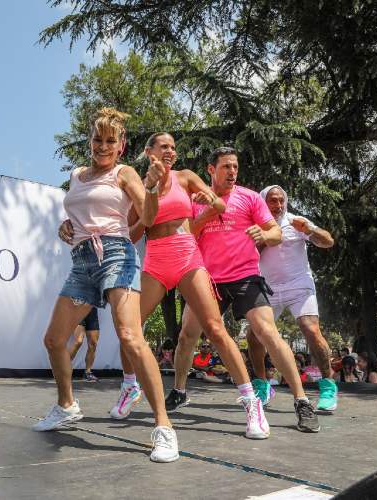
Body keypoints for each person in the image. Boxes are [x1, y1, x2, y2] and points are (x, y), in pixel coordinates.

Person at [61, 134, 270, 439]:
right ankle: (130, 386)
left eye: (173, 147)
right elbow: (131, 234)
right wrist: (146, 201)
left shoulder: (185, 177)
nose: (170, 150)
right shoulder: (138, 184)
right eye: (164, 147)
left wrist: (207, 202)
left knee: (215, 328)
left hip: (187, 256)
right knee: (130, 330)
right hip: (156, 261)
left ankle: (252, 403)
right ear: (149, 152)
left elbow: (219, 204)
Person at [35, 108, 179, 463]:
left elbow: (147, 217)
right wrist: (66, 226)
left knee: (130, 336)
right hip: (83, 261)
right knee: (54, 340)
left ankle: (164, 428)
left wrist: (153, 187)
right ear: (90, 141)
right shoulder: (77, 175)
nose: (102, 146)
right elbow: (80, 213)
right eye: (97, 139)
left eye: (110, 141)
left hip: (117, 255)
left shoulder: (124, 173)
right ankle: (66, 405)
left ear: (121, 145)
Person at [174, 148, 320, 433]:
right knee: (186, 336)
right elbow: (187, 233)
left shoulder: (250, 197)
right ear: (211, 170)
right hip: (207, 279)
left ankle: (302, 401)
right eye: (226, 167)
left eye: (235, 167)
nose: (232, 172)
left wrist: (264, 234)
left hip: (245, 276)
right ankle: (179, 391)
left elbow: (275, 232)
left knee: (268, 333)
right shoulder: (195, 200)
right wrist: (210, 210)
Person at [245, 184, 338, 414]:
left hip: (299, 285)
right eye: (272, 200)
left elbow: (328, 241)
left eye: (281, 200)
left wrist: (310, 230)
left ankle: (328, 386)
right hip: (268, 287)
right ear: (263, 202)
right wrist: (263, 239)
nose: (278, 205)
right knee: (253, 336)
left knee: (311, 329)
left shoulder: (296, 221)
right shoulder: (255, 225)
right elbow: (245, 255)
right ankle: (262, 385)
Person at [68, 309, 101, 381]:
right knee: (78, 342)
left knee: (93, 344)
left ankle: (87, 373)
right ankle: (62, 369)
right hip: (78, 309)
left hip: (92, 311)